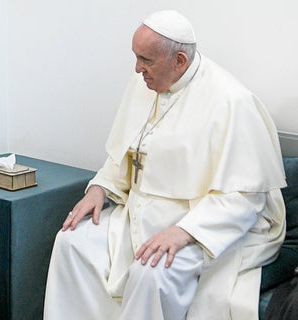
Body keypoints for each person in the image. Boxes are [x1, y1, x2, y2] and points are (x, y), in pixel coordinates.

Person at [44, 10, 286, 320]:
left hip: (205, 224)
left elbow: (244, 198)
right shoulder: (145, 84)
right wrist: (100, 189)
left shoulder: (232, 101)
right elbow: (127, 154)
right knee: (70, 243)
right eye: (136, 57)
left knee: (151, 272)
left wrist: (185, 231)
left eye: (145, 60)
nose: (137, 69)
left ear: (180, 61)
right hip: (141, 211)